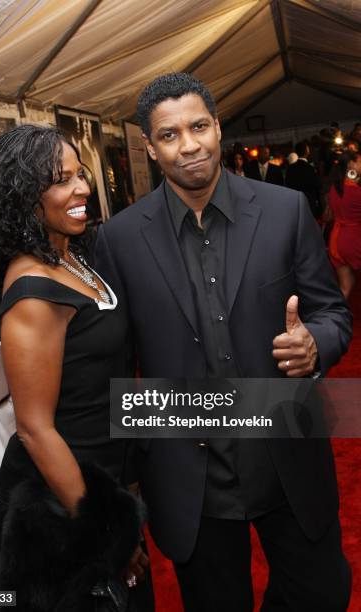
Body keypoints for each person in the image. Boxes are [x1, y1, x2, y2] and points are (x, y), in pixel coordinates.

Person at [95, 73, 352, 612]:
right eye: (169, 135)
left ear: (218, 128)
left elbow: (332, 312)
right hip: (191, 474)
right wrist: (125, 484)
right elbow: (118, 365)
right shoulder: (118, 239)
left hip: (285, 452)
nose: (188, 145)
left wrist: (316, 346)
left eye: (199, 127)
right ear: (149, 146)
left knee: (321, 592)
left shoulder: (284, 211)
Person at [0, 124, 149, 611]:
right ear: (25, 198)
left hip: (101, 488)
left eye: (79, 174)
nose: (82, 188)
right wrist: (106, 534)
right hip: (60, 515)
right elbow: (35, 429)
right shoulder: (32, 288)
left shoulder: (72, 257)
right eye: (60, 180)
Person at [328, 150, 361, 299]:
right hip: (354, 239)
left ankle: (337, 320)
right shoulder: (355, 192)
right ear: (351, 165)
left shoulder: (334, 189)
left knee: (345, 287)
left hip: (336, 240)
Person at [286, 141, 321, 218]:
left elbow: (287, 186)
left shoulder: (290, 169)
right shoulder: (310, 168)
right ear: (307, 152)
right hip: (309, 202)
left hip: (296, 203)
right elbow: (316, 185)